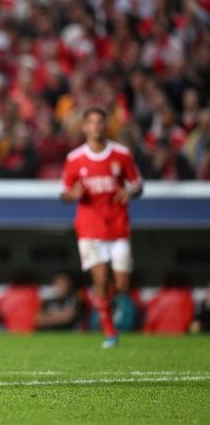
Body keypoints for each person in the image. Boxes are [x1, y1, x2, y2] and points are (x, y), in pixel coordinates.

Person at [61, 107, 143, 348]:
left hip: (117, 225)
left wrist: (129, 192)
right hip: (89, 227)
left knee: (120, 285)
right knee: (100, 278)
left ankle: (107, 310)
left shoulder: (121, 154)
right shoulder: (75, 159)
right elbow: (64, 192)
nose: (96, 126)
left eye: (100, 122)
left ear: (106, 125)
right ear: (84, 127)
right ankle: (110, 332)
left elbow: (137, 185)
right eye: (91, 122)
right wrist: (72, 194)